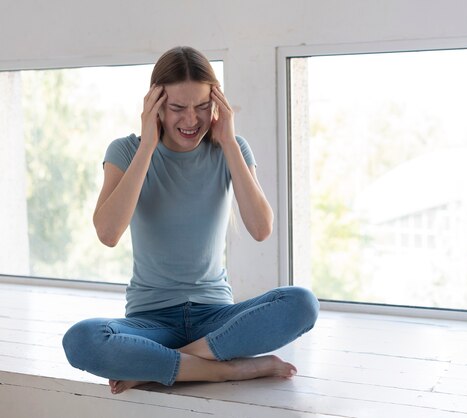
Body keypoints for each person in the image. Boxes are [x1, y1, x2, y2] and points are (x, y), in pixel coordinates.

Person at [62, 46, 319, 395]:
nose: (191, 120)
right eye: (177, 108)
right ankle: (228, 371)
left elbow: (261, 229)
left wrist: (228, 140)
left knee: (302, 303)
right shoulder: (125, 151)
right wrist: (148, 145)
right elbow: (108, 233)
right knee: (82, 340)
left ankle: (168, 364)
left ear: (217, 105)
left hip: (215, 319)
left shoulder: (233, 148)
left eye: (202, 106)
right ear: (155, 106)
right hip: (150, 319)